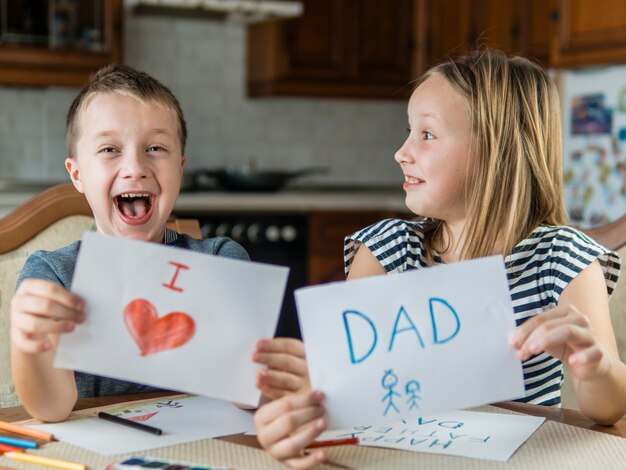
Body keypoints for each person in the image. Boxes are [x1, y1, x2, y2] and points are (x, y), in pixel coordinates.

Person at [252, 48, 626, 468]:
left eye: (426, 135)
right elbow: (349, 391)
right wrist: (303, 405)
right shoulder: (386, 251)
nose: (402, 152)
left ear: (497, 151)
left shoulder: (562, 259)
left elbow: (608, 409)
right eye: (409, 131)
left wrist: (594, 368)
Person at [10, 64, 249, 422]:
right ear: (77, 174)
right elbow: (51, 408)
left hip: (207, 441)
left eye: (155, 147)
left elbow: (247, 390)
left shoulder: (221, 261)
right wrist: (27, 342)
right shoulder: (53, 276)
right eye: (109, 149)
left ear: (180, 168)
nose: (135, 167)